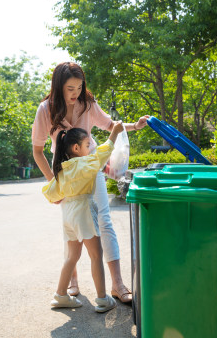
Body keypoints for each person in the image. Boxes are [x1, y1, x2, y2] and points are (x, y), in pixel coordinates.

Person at [32, 62, 149, 303]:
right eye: (70, 88)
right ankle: (72, 281)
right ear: (58, 87)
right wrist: (54, 183)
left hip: (91, 166)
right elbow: (37, 150)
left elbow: (110, 126)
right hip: (65, 173)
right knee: (71, 225)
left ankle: (117, 283)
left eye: (79, 87)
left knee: (103, 219)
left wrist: (134, 126)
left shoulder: (87, 103)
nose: (75, 93)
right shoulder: (45, 109)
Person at [43, 122, 124, 311]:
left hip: (68, 213)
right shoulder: (84, 163)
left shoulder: (63, 168)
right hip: (83, 210)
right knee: (96, 255)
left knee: (72, 256)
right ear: (76, 148)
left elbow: (51, 192)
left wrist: (57, 198)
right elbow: (102, 155)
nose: (90, 149)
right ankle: (103, 299)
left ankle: (60, 295)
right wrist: (114, 133)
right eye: (88, 145)